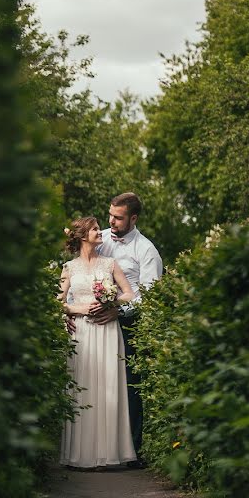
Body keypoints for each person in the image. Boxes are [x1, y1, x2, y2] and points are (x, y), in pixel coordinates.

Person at [88, 192, 163, 464]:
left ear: (133, 218)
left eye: (118, 218)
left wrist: (118, 310)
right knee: (98, 383)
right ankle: (99, 448)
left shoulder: (146, 250)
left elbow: (149, 294)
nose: (111, 221)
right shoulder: (101, 239)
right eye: (110, 215)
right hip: (96, 323)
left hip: (129, 324)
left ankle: (132, 451)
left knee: (130, 385)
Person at [58, 216, 137, 469]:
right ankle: (81, 455)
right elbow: (58, 301)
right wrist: (76, 310)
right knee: (83, 387)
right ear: (82, 236)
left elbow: (129, 293)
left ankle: (108, 453)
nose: (99, 231)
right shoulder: (69, 268)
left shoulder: (110, 264)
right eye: (94, 229)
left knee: (108, 387)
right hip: (81, 332)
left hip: (107, 330)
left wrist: (112, 302)